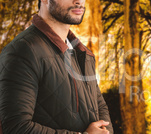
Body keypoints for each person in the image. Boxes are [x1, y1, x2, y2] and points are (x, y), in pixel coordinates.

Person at [0, 0, 113, 133]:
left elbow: (100, 107)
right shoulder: (23, 50)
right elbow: (15, 127)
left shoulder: (83, 54)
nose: (79, 1)